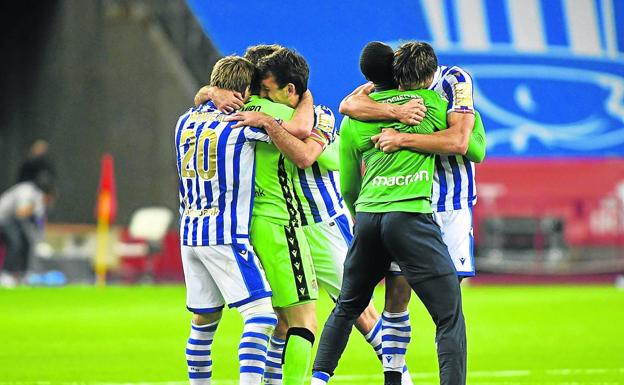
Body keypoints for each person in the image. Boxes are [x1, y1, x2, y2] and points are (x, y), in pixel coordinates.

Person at [208, 47, 420, 385]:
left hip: (323, 224)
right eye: (258, 90)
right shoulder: (260, 111)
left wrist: (292, 105)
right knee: (285, 318)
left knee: (359, 310)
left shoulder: (317, 116)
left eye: (266, 90)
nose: (261, 97)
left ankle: (400, 375)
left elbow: (307, 151)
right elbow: (209, 99)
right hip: (283, 225)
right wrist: (211, 91)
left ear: (290, 90)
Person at [311, 41, 468, 385]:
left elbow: (349, 184)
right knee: (448, 315)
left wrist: (360, 213)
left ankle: (319, 380)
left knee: (346, 308)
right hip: (410, 217)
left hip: (367, 217)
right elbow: (473, 146)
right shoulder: (429, 104)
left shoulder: (353, 117)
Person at [174, 55, 278, 385]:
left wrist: (205, 93)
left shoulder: (184, 121)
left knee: (204, 322)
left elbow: (200, 100)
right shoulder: (242, 125)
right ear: (243, 91)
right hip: (224, 234)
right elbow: (296, 138)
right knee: (261, 315)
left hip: (190, 234)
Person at [0, 175, 54, 287]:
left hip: (15, 221)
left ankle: (23, 274)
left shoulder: (39, 198)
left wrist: (40, 240)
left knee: (28, 243)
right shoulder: (26, 190)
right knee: (15, 243)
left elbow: (39, 221)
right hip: (4, 218)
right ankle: (5, 274)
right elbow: (21, 212)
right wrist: (33, 208)